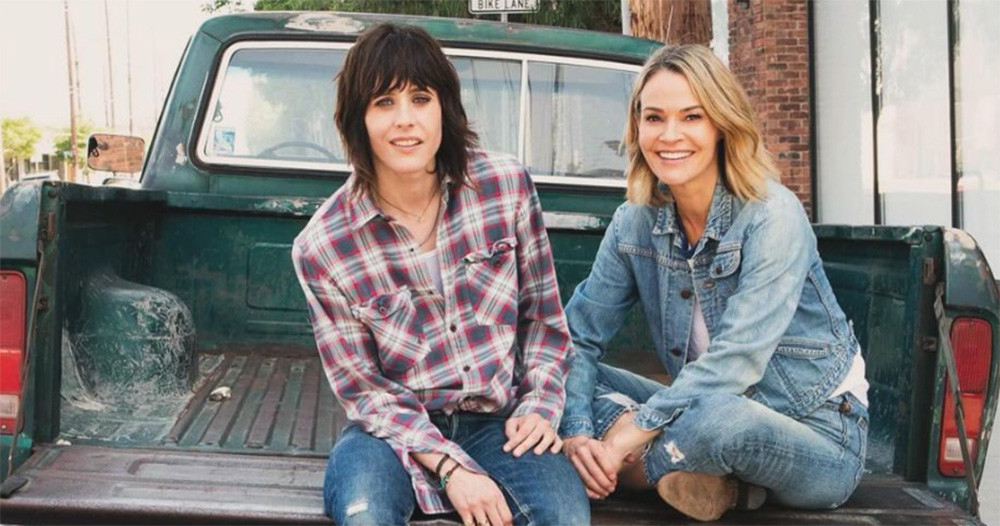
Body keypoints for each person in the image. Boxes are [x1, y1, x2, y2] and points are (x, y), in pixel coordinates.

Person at [291, 23, 589, 526]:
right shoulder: (324, 246)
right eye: (384, 102)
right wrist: (452, 470)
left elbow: (541, 321)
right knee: (365, 517)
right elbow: (367, 392)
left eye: (420, 99)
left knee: (564, 518)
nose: (404, 121)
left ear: (444, 109)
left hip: (499, 421)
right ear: (356, 119)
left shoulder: (504, 188)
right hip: (390, 435)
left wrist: (539, 405)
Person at [558, 44, 870, 522]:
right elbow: (576, 339)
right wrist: (579, 430)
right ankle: (703, 478)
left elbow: (736, 364)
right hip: (694, 414)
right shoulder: (634, 224)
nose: (670, 135)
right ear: (636, 126)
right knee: (548, 369)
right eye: (654, 118)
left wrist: (627, 433)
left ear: (722, 124)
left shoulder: (772, 216)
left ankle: (630, 469)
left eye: (691, 117)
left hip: (815, 434)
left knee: (720, 419)